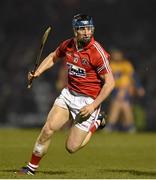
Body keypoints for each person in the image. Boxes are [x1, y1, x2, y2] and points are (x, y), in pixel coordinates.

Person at [19, 14, 115, 175]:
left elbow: (110, 83)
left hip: (88, 101)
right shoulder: (68, 45)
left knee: (71, 147)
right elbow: (53, 56)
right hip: (68, 94)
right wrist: (38, 72)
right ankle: (30, 168)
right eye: (82, 28)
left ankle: (96, 123)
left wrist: (93, 106)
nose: (86, 32)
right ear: (75, 30)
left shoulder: (97, 52)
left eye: (89, 28)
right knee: (48, 128)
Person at [105, 49, 145, 133]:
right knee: (121, 106)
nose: (116, 56)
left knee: (120, 105)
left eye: (118, 54)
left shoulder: (126, 64)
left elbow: (133, 77)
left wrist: (138, 87)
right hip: (115, 89)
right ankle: (128, 126)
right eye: (115, 54)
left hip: (125, 88)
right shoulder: (110, 65)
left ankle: (112, 126)